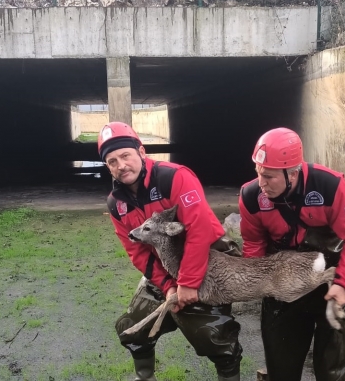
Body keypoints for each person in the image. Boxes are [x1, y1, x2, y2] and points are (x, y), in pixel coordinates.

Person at [100, 121, 242, 381]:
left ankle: (229, 371)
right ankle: (145, 377)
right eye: (112, 161)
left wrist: (187, 282)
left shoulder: (174, 177)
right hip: (167, 267)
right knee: (131, 327)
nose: (121, 165)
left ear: (141, 152)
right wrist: (168, 285)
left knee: (211, 335)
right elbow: (138, 253)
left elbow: (198, 230)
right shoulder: (116, 204)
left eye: (125, 156)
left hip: (210, 259)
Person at [238, 127, 345, 381]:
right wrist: (257, 282)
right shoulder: (251, 196)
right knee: (281, 365)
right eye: (258, 173)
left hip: (331, 278)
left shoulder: (330, 186)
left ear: (293, 172)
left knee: (333, 368)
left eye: (269, 176)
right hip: (283, 280)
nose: (261, 183)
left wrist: (343, 283)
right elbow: (254, 244)